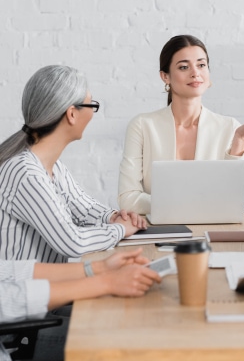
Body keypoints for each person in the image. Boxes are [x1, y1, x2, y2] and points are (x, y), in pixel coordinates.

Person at [0, 65, 147, 263]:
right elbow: (72, 242)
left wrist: (112, 217)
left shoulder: (53, 167)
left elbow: (83, 207)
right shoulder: (25, 173)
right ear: (72, 114)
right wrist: (120, 229)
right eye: (91, 105)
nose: (93, 114)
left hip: (48, 286)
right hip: (24, 291)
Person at [118, 34, 244, 215]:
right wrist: (195, 205)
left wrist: (240, 138)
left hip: (212, 234)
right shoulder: (142, 126)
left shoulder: (230, 128)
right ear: (165, 77)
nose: (195, 73)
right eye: (184, 67)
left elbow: (229, 199)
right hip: (158, 233)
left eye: (201, 65)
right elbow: (128, 200)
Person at [0, 248, 161, 360]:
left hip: (19, 326)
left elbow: (8, 271)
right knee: (136, 340)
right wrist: (107, 282)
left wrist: (99, 267)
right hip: (13, 337)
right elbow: (7, 299)